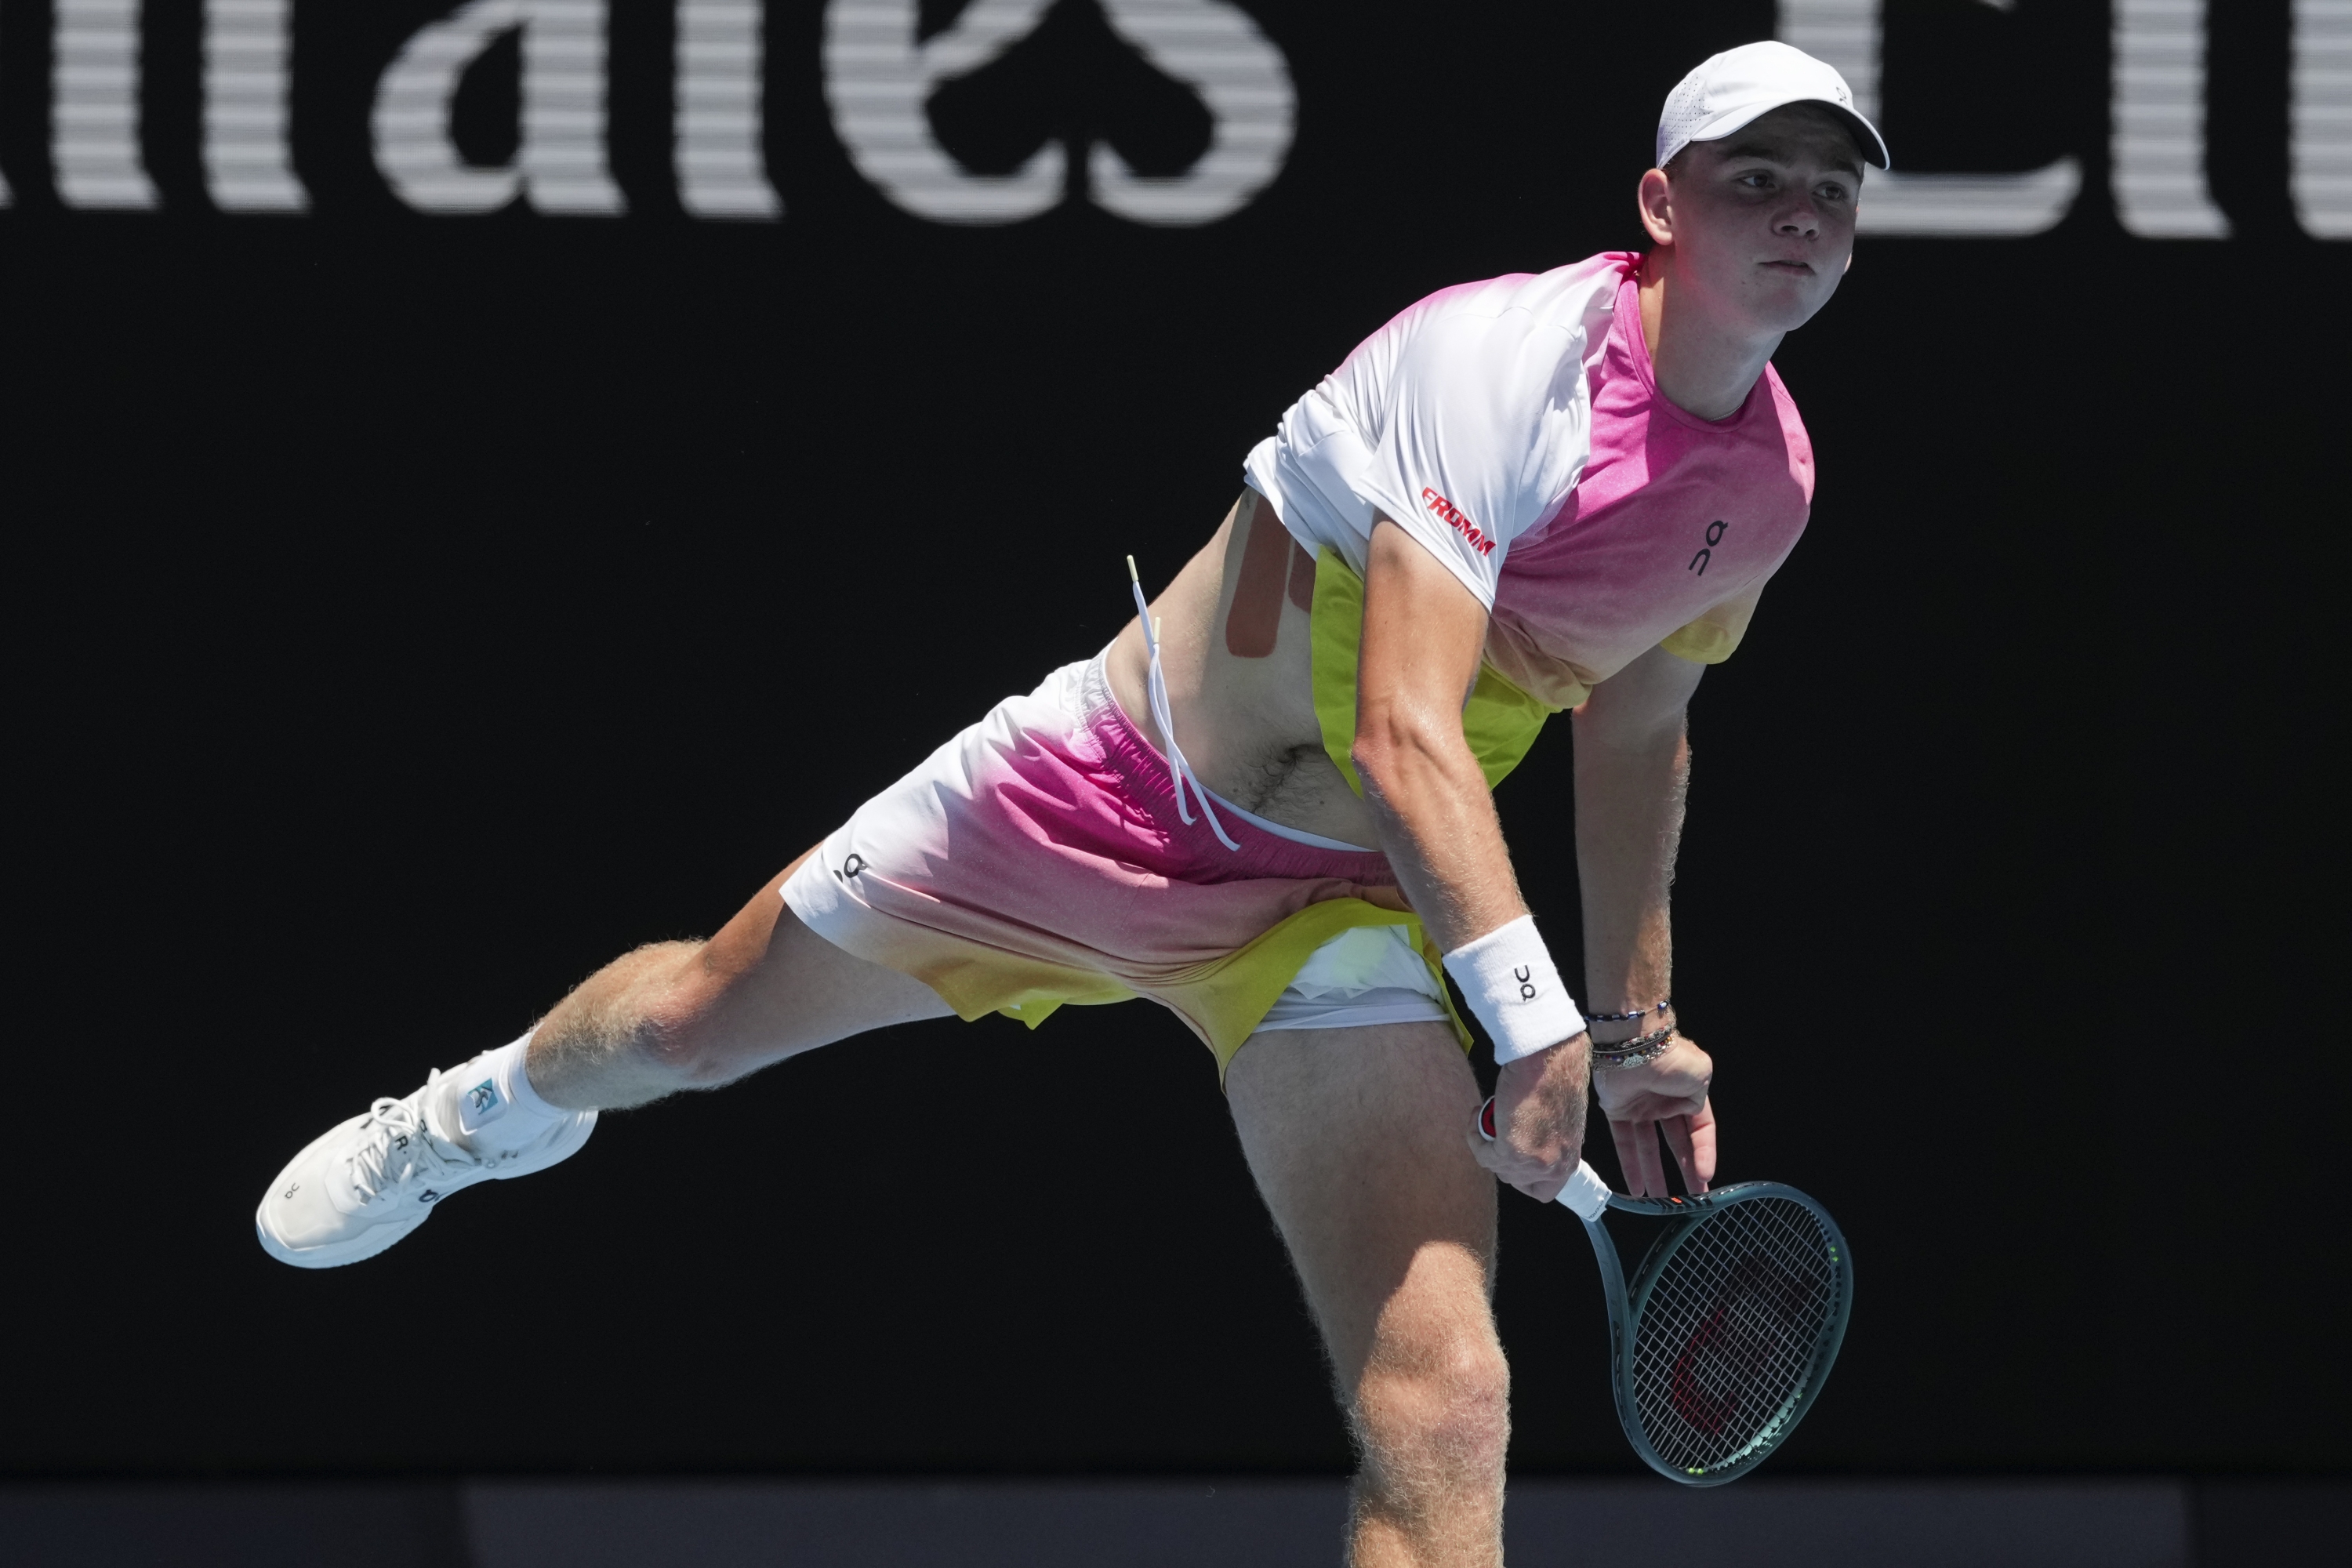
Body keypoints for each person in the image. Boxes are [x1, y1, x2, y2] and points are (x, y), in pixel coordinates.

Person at [258, 41, 1885, 1568]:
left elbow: (1641, 720)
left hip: (1338, 910)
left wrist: (1625, 1024)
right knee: (683, 1022)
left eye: (1833, 184)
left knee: (1448, 1401)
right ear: (1661, 207)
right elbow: (1402, 728)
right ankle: (480, 1111)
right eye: (1757, 176)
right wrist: (1528, 1020)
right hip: (1095, 800)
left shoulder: (1769, 491)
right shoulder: (1499, 362)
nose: (1801, 207)